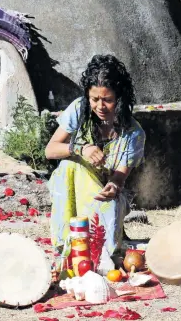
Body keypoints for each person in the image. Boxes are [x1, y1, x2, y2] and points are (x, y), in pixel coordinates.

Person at [45, 54, 146, 261]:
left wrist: (113, 187)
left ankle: (103, 247)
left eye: (108, 100)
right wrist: (80, 149)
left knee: (104, 255)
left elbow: (119, 178)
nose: (100, 106)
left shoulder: (134, 133)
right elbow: (50, 150)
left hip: (104, 195)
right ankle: (65, 243)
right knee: (68, 165)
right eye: (94, 99)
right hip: (75, 187)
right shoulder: (78, 110)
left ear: (120, 98)